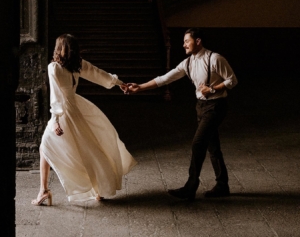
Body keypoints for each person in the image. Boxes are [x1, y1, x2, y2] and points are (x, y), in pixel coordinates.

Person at [126, 28, 237, 201]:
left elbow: (232, 80)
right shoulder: (188, 63)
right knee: (212, 146)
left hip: (216, 106)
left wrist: (213, 88)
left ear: (198, 41)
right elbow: (164, 79)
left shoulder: (214, 58)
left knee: (198, 143)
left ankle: (190, 187)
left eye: (187, 40)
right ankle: (223, 185)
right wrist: (140, 87)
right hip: (201, 106)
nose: (183, 44)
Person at [31, 34, 136, 206]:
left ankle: (44, 191)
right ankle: (98, 188)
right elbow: (98, 74)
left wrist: (56, 119)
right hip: (76, 108)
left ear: (59, 49)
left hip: (64, 112)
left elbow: (56, 96)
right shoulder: (78, 65)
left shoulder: (54, 67)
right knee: (87, 148)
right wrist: (119, 83)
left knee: (45, 147)